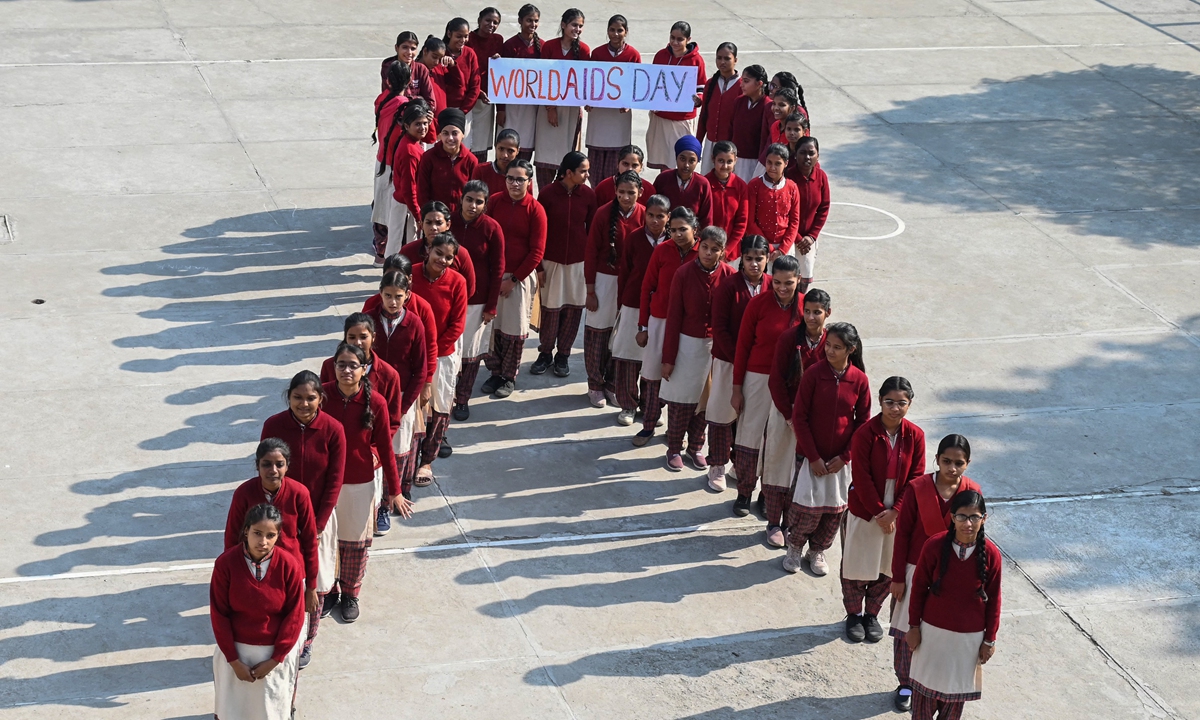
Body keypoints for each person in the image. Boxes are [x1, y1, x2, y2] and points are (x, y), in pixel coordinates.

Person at [890, 434, 982, 712]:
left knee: (942, 633)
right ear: (936, 459)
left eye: (958, 463)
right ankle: (906, 682)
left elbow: (974, 534)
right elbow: (903, 535)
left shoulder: (972, 491)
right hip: (914, 570)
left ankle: (938, 687)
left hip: (953, 575)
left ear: (967, 463)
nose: (951, 469)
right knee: (909, 630)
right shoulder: (917, 488)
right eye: (946, 461)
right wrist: (896, 577)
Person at [260, 372, 345, 667]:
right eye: (298, 397)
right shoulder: (274, 426)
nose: (304, 403)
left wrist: (318, 524)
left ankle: (306, 642)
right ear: (288, 397)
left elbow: (335, 480)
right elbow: (266, 471)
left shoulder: (333, 429)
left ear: (321, 398)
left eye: (311, 397)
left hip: (318, 518)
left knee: (314, 581)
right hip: (276, 520)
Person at [321, 343, 407, 623]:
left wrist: (395, 491)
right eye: (341, 365)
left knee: (355, 544)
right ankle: (330, 590)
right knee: (328, 540)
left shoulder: (377, 403)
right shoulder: (321, 398)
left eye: (353, 365)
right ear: (333, 368)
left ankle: (350, 593)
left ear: (364, 370)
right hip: (324, 482)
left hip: (360, 485)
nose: (346, 370)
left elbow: (385, 447)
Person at [838, 377, 926, 646]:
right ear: (880, 401)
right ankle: (853, 615)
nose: (895, 408)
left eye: (902, 403)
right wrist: (879, 512)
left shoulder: (916, 435)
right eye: (890, 402)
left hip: (897, 512)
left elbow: (916, 476)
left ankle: (871, 615)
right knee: (856, 565)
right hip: (865, 510)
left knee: (887, 567)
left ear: (910, 404)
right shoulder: (865, 433)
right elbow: (861, 477)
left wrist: (897, 511)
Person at [785, 322, 871, 576]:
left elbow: (863, 423)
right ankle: (795, 547)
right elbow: (800, 417)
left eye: (837, 347)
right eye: (829, 346)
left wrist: (845, 457)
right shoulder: (813, 374)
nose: (830, 351)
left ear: (851, 350)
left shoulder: (859, 380)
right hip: (810, 457)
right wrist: (813, 457)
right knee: (804, 508)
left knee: (833, 511)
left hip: (839, 461)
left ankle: (817, 550)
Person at [907, 491, 1002, 720]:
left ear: (984, 518)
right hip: (931, 636)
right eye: (961, 517)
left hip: (967, 643)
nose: (968, 524)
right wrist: (913, 627)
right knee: (922, 701)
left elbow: (994, 601)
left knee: (953, 705)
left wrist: (989, 640)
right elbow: (918, 589)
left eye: (974, 517)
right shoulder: (934, 546)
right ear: (951, 517)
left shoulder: (991, 555)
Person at [210, 503, 305, 720]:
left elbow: (295, 615)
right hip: (235, 654)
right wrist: (234, 661)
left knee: (270, 711)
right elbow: (219, 614)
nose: (263, 541)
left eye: (270, 535)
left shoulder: (289, 565)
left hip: (273, 656)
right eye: (257, 533)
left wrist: (275, 659)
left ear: (279, 535)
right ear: (246, 531)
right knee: (234, 711)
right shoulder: (226, 564)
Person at [730, 255, 801, 522]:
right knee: (749, 439)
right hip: (756, 379)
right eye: (778, 282)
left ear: (798, 281)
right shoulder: (757, 305)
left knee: (778, 444)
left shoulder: (806, 309)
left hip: (788, 385)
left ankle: (766, 497)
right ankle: (744, 493)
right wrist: (737, 389)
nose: (782, 288)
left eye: (789, 283)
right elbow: (742, 348)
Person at [660, 226, 733, 470]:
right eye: (704, 247)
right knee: (682, 401)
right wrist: (668, 357)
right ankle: (673, 448)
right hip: (686, 345)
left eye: (715, 250)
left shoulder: (729, 276)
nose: (708, 253)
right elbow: (673, 317)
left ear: (722, 252)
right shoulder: (683, 274)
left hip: (714, 349)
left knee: (705, 402)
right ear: (698, 245)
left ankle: (695, 447)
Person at [223, 439, 318, 613]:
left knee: (294, 621)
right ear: (257, 465)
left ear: (287, 466)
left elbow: (310, 540)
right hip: (254, 569)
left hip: (292, 570)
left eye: (279, 464)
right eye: (266, 464)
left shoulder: (299, 493)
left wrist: (311, 586)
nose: (273, 470)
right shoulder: (243, 493)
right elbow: (232, 537)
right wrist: (233, 576)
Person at [633, 206, 700, 447]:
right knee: (652, 377)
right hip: (659, 321)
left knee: (681, 380)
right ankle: (648, 424)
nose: (678, 234)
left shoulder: (703, 253)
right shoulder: (662, 250)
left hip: (688, 327)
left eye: (683, 229)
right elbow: (646, 287)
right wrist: (643, 325)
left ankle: (676, 433)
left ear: (695, 229)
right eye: (673, 230)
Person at [706, 235, 769, 491]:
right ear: (741, 258)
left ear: (767, 259)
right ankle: (717, 466)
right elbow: (719, 328)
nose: (754, 264)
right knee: (722, 415)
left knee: (750, 419)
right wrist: (739, 358)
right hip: (728, 361)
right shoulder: (728, 286)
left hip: (758, 367)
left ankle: (738, 466)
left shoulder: (772, 286)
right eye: (749, 258)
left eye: (759, 258)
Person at [482, 158, 546, 398]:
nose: (515, 184)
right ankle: (494, 372)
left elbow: (536, 252)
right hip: (493, 276)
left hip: (520, 278)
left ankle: (509, 376)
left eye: (521, 179)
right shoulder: (495, 202)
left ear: (529, 182)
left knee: (514, 329)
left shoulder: (536, 210)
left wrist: (514, 280)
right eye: (511, 178)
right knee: (493, 328)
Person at [365, 269, 430, 498]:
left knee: (400, 445)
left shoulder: (414, 324)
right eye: (388, 295)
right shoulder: (369, 321)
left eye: (398, 296)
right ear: (380, 294)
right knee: (373, 445)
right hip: (372, 394)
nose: (393, 301)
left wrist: (402, 407)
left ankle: (399, 492)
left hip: (402, 396)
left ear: (407, 295)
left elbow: (420, 370)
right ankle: (379, 500)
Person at [584, 171, 646, 408]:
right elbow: (590, 254)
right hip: (603, 282)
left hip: (630, 284)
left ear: (640, 192)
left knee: (619, 337)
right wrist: (590, 290)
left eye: (631, 192)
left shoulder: (643, 215)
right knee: (598, 334)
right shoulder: (603, 214)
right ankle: (595, 384)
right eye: (621, 192)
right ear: (615, 191)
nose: (626, 197)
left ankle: (612, 384)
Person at [532, 151, 596, 379]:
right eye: (583, 171)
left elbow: (593, 231)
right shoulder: (548, 194)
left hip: (578, 264)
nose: (587, 175)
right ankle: (545, 353)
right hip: (551, 262)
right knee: (550, 310)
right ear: (569, 173)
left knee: (572, 310)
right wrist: (538, 266)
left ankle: (563, 355)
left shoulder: (588, 195)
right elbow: (537, 232)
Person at [410, 233, 468, 484]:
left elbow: (457, 325)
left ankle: (426, 461)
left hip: (443, 355)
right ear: (427, 250)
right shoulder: (410, 275)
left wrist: (433, 349)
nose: (442, 260)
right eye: (438, 254)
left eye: (449, 257)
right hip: (411, 353)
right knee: (412, 408)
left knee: (440, 406)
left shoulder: (457, 282)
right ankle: (409, 458)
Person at [610, 194, 671, 426]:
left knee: (652, 360)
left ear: (668, 217)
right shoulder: (635, 238)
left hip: (659, 310)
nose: (655, 221)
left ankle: (651, 407)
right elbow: (624, 273)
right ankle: (628, 404)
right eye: (651, 215)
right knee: (628, 358)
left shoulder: (672, 243)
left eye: (660, 216)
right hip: (633, 304)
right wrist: (621, 305)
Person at [317, 315, 404, 472]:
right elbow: (320, 409)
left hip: (367, 458)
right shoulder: (330, 366)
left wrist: (375, 451)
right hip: (331, 453)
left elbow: (392, 422)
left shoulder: (389, 375)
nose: (357, 342)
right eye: (352, 337)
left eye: (363, 337)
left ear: (373, 337)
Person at [452, 181, 506, 420]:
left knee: (470, 353)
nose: (473, 206)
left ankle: (462, 399)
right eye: (469, 199)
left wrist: (491, 305)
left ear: (485, 204)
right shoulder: (447, 224)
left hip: (477, 302)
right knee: (447, 352)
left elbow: (498, 269)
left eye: (479, 201)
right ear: (461, 199)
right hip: (447, 300)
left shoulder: (492, 228)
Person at [534, 8, 589, 189]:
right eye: (574, 25)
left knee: (567, 156)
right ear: (563, 25)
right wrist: (551, 109)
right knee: (545, 155)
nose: (577, 29)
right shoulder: (549, 46)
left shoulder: (583, 50)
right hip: (548, 108)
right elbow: (542, 79)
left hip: (572, 110)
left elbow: (586, 80)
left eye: (580, 26)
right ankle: (544, 195)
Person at [585, 16, 642, 180]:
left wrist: (629, 102)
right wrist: (588, 99)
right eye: (612, 30)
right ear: (607, 30)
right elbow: (590, 80)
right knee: (595, 164)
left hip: (620, 115)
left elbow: (637, 84)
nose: (616, 34)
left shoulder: (633, 55)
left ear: (626, 32)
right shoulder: (597, 53)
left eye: (620, 30)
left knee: (615, 161)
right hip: (599, 113)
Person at [646, 22, 706, 170]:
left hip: (682, 119)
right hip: (661, 117)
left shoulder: (696, 60)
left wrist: (699, 99)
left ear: (688, 39)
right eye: (672, 37)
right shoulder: (661, 55)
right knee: (664, 163)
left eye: (680, 39)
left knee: (682, 162)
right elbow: (653, 82)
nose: (675, 42)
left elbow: (702, 87)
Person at [372, 62, 414, 264]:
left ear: (388, 81)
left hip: (381, 161)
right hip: (397, 164)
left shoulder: (381, 100)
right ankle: (395, 258)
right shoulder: (405, 106)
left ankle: (380, 252)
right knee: (397, 216)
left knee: (380, 209)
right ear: (409, 81)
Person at [403, 200, 477, 298]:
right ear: (420, 224)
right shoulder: (408, 251)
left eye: (439, 223)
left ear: (448, 225)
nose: (433, 227)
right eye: (428, 222)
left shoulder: (461, 253)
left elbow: (469, 289)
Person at [497, 4, 542, 163]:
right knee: (507, 146)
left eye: (536, 21)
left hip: (531, 107)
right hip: (512, 106)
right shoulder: (510, 45)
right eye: (529, 20)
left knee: (526, 147)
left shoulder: (542, 46)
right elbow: (500, 80)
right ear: (520, 21)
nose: (533, 24)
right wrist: (501, 109)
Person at [388, 99, 433, 255]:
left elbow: (432, 137)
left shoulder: (410, 142)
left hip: (404, 203)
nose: (423, 128)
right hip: (406, 207)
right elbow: (409, 188)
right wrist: (418, 214)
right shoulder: (410, 152)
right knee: (403, 247)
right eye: (418, 124)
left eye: (425, 123)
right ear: (407, 126)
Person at [417, 108, 479, 215]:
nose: (450, 138)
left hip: (462, 218)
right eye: (445, 133)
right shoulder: (429, 157)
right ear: (440, 135)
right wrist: (429, 214)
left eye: (455, 133)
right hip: (435, 218)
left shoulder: (471, 160)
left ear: (463, 134)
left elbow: (474, 193)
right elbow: (422, 191)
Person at [746, 143, 801, 261]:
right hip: (760, 246)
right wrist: (769, 248)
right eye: (769, 162)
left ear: (786, 163)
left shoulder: (792, 187)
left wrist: (782, 249)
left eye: (778, 163)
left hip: (785, 248)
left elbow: (794, 222)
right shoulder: (754, 185)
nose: (772, 167)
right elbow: (750, 221)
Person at [789, 136, 829, 293]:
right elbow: (785, 213)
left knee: (803, 281)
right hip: (790, 238)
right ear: (795, 155)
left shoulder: (821, 177)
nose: (807, 157)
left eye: (811, 153)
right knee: (787, 279)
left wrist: (812, 236)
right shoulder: (788, 177)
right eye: (802, 152)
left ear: (817, 155)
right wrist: (798, 238)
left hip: (809, 241)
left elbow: (824, 208)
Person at [432, 19, 481, 146]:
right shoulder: (439, 53)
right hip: (442, 110)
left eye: (466, 36)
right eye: (459, 36)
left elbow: (475, 86)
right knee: (441, 145)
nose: (463, 40)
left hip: (464, 110)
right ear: (449, 34)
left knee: (463, 146)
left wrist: (463, 111)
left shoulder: (470, 54)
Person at [696, 42, 741, 175]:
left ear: (735, 60)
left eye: (727, 58)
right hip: (711, 144)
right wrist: (698, 142)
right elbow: (704, 116)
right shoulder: (711, 83)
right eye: (719, 58)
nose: (722, 62)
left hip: (730, 147)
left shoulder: (741, 86)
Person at [466, 8, 505, 162]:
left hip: (487, 99)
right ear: (479, 20)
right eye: (488, 20)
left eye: (496, 22)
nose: (491, 24)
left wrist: (499, 60)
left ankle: (478, 178)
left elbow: (502, 73)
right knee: (466, 140)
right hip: (469, 97)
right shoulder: (468, 38)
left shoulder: (498, 40)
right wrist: (476, 91)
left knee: (481, 143)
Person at [651, 135, 713, 226]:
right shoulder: (663, 179)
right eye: (682, 159)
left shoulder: (702, 184)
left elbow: (706, 219)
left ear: (697, 161)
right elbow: (652, 208)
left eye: (692, 161)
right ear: (676, 157)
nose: (686, 165)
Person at [705, 140, 749, 261]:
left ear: (735, 160)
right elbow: (702, 219)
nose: (725, 166)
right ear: (713, 159)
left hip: (732, 252)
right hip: (707, 250)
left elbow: (741, 222)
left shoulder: (741, 186)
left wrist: (727, 250)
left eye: (729, 161)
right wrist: (712, 248)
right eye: (721, 161)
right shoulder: (705, 184)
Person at [729, 65, 772, 182]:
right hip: (736, 159)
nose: (741, 84)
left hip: (756, 162)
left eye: (746, 81)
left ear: (759, 84)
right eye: (742, 80)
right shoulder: (739, 102)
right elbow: (731, 129)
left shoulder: (768, 106)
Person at [382, 31, 438, 105]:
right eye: (405, 47)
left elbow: (431, 102)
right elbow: (395, 98)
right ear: (396, 48)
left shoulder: (421, 69)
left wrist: (426, 110)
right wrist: (418, 99)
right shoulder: (389, 67)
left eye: (413, 48)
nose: (409, 52)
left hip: (418, 114)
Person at [472, 128, 520, 196]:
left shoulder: (522, 175)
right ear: (495, 146)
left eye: (510, 151)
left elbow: (528, 203)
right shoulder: (481, 170)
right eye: (501, 149)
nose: (505, 155)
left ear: (518, 151)